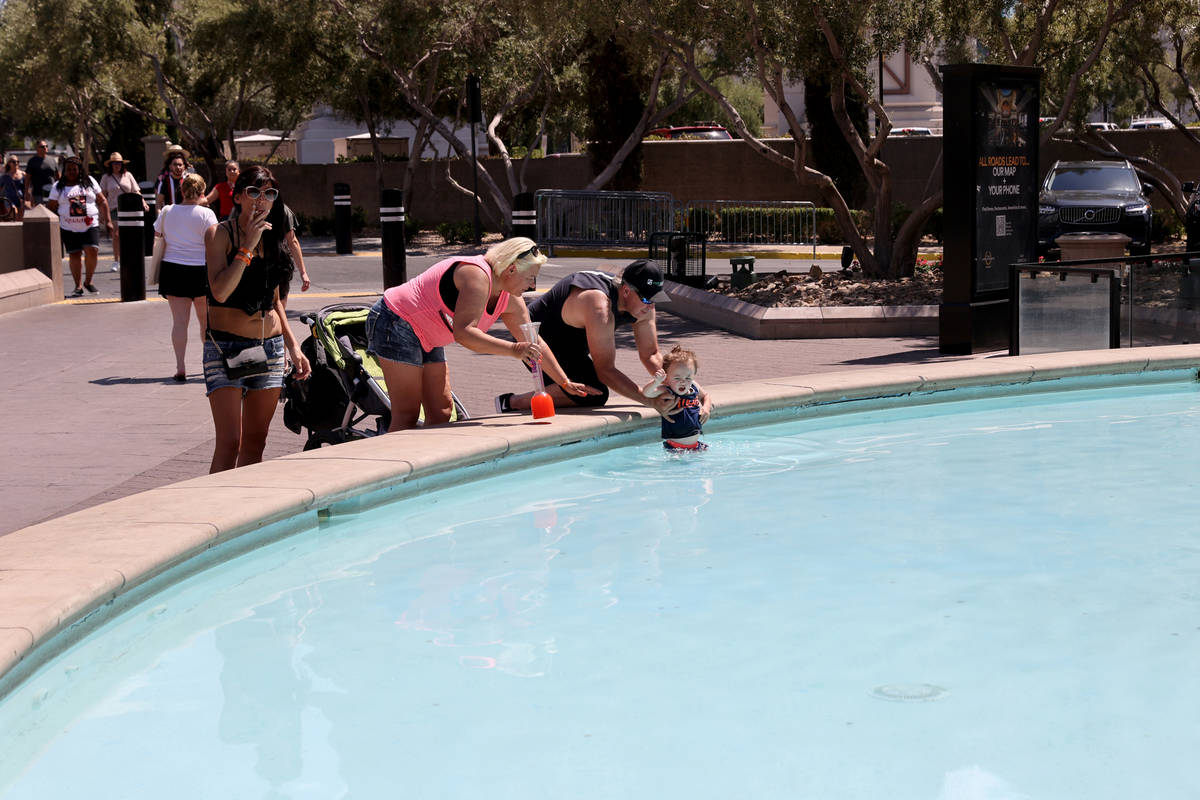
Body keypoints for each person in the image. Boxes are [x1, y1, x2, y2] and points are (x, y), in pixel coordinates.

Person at [366, 237, 597, 431]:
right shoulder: (476, 275)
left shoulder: (510, 297)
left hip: (429, 332)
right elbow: (465, 333)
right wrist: (514, 350)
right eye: (530, 277)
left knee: (442, 411)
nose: (533, 286)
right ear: (511, 269)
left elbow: (532, 340)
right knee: (407, 414)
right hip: (396, 322)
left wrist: (564, 382)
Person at [203, 165, 311, 472]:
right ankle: (212, 511)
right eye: (253, 192)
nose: (260, 200)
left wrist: (294, 347)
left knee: (255, 442)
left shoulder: (273, 236)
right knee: (229, 443)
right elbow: (220, 291)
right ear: (237, 197)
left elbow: (275, 301)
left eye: (269, 194)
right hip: (226, 347)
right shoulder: (219, 234)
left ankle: (242, 510)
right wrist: (247, 247)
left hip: (270, 348)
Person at [495, 259, 669, 414]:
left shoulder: (643, 306)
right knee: (591, 394)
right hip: (536, 337)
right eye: (647, 299)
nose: (651, 306)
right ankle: (511, 402)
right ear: (625, 291)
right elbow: (606, 370)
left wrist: (681, 386)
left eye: (655, 299)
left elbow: (651, 355)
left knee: (593, 389)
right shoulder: (599, 306)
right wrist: (648, 400)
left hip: (573, 343)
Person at [156, 173, 217, 382]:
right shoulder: (206, 214)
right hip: (200, 269)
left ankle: (180, 367)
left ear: (181, 191)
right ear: (202, 192)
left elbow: (158, 234)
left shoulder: (166, 211)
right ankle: (208, 364)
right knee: (205, 323)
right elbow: (215, 241)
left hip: (173, 269)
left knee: (179, 322)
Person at [46, 156, 113, 296]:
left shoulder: (89, 182)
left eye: (74, 169)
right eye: (68, 169)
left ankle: (89, 281)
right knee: (74, 254)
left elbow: (102, 201)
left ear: (80, 170)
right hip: (68, 227)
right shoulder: (58, 186)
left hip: (90, 225)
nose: (71, 172)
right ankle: (78, 286)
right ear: (64, 171)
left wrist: (108, 220)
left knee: (92, 250)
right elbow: (51, 207)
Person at [641, 345, 711, 451]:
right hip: (675, 447)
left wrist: (706, 408)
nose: (683, 381)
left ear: (694, 375)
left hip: (696, 445)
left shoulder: (694, 386)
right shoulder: (668, 390)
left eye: (688, 377)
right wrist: (656, 382)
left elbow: (706, 396)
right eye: (677, 378)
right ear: (667, 377)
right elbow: (647, 393)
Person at [99, 152, 145, 271]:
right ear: (111, 165)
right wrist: (101, 213)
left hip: (129, 209)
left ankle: (129, 258)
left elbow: (136, 191)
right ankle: (116, 260)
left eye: (119, 163)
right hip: (114, 208)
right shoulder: (106, 178)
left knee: (130, 235)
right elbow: (102, 196)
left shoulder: (128, 175)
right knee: (116, 234)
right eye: (114, 163)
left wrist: (143, 202)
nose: (117, 165)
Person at [23, 140, 58, 206]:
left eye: (46, 146)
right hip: (38, 194)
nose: (45, 148)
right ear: (37, 149)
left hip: (52, 193)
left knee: (52, 213)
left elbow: (57, 176)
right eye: (42, 146)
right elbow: (27, 177)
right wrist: (27, 191)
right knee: (40, 213)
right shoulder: (32, 161)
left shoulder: (52, 160)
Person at [1, 155, 28, 220]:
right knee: (14, 213)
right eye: (13, 162)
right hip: (9, 199)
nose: (16, 163)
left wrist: (26, 199)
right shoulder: (5, 176)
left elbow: (26, 187)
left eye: (17, 161)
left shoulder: (23, 174)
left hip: (20, 199)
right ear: (9, 163)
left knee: (21, 219)